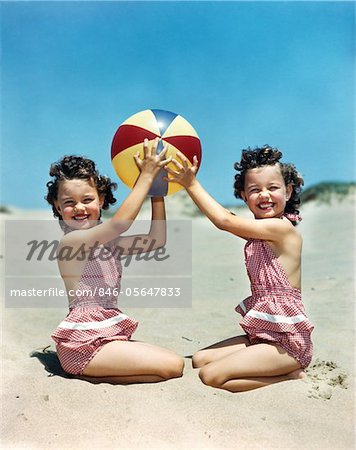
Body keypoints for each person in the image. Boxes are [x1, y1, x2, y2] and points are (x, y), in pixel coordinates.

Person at [164, 145, 314, 392]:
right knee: (200, 360)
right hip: (263, 335)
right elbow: (225, 214)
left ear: (288, 191)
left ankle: (289, 375)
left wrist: (190, 183)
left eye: (273, 188)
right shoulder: (257, 231)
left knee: (211, 376)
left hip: (287, 342)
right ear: (244, 196)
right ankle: (268, 362)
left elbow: (224, 221)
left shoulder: (282, 229)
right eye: (255, 190)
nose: (264, 195)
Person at [46, 138, 184, 383]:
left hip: (105, 334)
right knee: (173, 365)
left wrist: (156, 191)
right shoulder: (72, 243)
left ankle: (97, 373)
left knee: (174, 361)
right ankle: (90, 375)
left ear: (100, 200)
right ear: (57, 207)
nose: (79, 207)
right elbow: (120, 223)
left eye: (87, 200)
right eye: (69, 202)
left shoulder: (108, 245)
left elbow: (156, 239)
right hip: (82, 345)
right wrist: (145, 176)